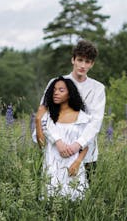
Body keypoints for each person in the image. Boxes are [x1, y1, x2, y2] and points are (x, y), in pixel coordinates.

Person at [35, 40, 105, 181]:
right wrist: (57, 142)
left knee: (84, 196)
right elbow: (44, 116)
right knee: (53, 193)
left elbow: (95, 122)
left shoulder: (97, 88)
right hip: (55, 153)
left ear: (92, 64)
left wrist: (77, 145)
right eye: (80, 60)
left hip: (86, 154)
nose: (83, 65)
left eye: (87, 61)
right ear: (73, 59)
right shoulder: (56, 83)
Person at [36, 77, 91, 200]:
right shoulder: (47, 117)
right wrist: (38, 120)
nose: (56, 93)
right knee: (51, 204)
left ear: (70, 93)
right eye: (54, 90)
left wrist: (77, 162)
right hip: (52, 167)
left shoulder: (82, 117)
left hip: (72, 167)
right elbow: (42, 145)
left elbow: (86, 144)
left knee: (75, 203)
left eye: (61, 90)